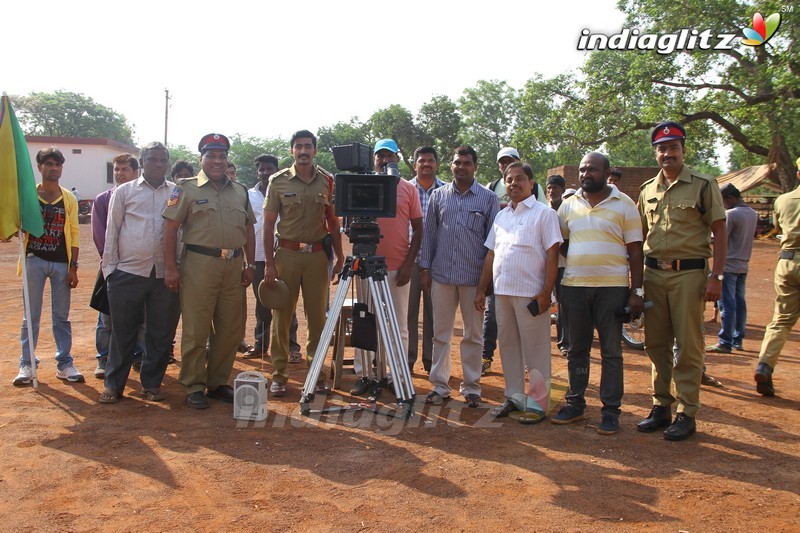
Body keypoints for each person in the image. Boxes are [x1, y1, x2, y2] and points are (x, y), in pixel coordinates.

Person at [636, 121, 727, 441]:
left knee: (688, 344)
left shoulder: (703, 184)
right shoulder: (647, 189)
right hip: (653, 274)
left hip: (690, 274)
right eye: (661, 148)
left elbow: (719, 230)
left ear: (683, 150)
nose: (667, 153)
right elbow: (641, 235)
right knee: (655, 343)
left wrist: (716, 275)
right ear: (656, 153)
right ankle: (661, 405)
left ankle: (687, 411)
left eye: (673, 147)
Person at [552, 152, 644, 435]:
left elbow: (636, 251)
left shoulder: (624, 205)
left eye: (592, 169)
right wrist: (582, 259)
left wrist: (636, 290)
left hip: (612, 289)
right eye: (582, 169)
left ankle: (610, 410)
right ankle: (575, 403)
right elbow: (562, 243)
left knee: (611, 352)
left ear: (606, 172)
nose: (585, 174)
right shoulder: (568, 206)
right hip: (574, 288)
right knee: (577, 350)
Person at [163, 133, 256, 409]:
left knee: (229, 329)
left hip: (233, 266)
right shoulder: (186, 188)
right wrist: (171, 268)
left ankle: (217, 382)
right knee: (196, 327)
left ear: (227, 159)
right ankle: (193, 385)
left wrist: (250, 263)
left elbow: (249, 228)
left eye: (222, 156)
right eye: (211, 156)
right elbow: (170, 229)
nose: (217, 161)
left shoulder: (240, 191)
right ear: (201, 159)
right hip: (199, 265)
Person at [476, 162, 561, 423]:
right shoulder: (502, 216)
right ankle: (513, 397)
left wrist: (547, 292)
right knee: (509, 346)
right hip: (502, 293)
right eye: (509, 179)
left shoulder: (544, 214)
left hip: (531, 294)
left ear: (531, 183)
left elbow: (552, 254)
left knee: (535, 348)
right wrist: (482, 289)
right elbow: (491, 254)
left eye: (520, 179)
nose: (514, 183)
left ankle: (538, 404)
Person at [262, 130, 344, 398]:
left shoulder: (327, 181)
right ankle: (279, 375)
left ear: (315, 151)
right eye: (298, 146)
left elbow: (333, 221)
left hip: (318, 256)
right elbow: (267, 224)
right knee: (281, 318)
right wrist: (269, 264)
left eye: (308, 146)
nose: (303, 150)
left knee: (318, 318)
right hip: (285, 255)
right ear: (291, 151)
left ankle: (317, 373)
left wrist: (340, 256)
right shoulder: (278, 181)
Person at [99, 142, 181, 403]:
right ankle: (113, 385)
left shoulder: (177, 192)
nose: (158, 164)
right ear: (142, 162)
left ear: (168, 164)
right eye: (153, 159)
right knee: (123, 332)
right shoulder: (124, 192)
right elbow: (112, 231)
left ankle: (152, 384)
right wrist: (109, 271)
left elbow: (181, 232)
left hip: (165, 275)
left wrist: (176, 267)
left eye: (163, 160)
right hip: (127, 272)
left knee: (160, 333)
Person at [419, 146, 499, 408]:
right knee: (440, 334)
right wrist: (425, 270)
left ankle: (472, 387)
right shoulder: (438, 197)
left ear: (475, 166)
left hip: (473, 279)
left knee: (473, 335)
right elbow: (429, 236)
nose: (461, 167)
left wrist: (486, 284)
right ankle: (440, 386)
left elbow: (493, 244)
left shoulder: (488, 199)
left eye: (466, 163)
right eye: (457, 163)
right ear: (451, 166)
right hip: (442, 275)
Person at [350, 139, 423, 395]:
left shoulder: (407, 189)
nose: (384, 161)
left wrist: (408, 265)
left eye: (389, 156)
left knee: (398, 325)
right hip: (365, 267)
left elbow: (419, 230)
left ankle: (398, 374)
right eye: (379, 156)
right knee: (364, 322)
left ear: (397, 160)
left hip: (397, 269)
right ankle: (365, 374)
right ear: (373, 160)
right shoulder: (363, 186)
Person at [13, 148, 84, 386]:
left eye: (58, 165)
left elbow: (74, 232)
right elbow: (15, 223)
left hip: (61, 262)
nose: (54, 168)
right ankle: (27, 363)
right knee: (30, 316)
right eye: (49, 164)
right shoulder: (28, 196)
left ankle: (64, 363)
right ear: (40, 167)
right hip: (35, 259)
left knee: (61, 317)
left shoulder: (68, 198)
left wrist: (73, 266)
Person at [91, 153, 142, 379]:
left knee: (140, 316)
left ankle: (139, 356)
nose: (119, 174)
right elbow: (100, 234)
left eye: (124, 169)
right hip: (112, 267)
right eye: (116, 169)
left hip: (139, 266)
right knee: (107, 316)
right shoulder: (103, 199)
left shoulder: (143, 197)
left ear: (135, 172)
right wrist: (111, 262)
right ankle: (104, 358)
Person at [753, 158, 800, 397]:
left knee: (781, 320)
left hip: (787, 262)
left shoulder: (783, 200)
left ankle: (765, 364)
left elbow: (778, 228)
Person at [706, 184, 758, 354]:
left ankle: (725, 341)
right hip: (743, 264)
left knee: (726, 304)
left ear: (729, 198)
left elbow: (719, 237)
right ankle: (737, 339)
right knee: (739, 302)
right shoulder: (752, 213)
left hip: (727, 265)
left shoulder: (731, 215)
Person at [407, 146, 445, 374]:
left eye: (431, 160)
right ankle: (408, 361)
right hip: (409, 262)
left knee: (435, 316)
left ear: (437, 164)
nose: (427, 164)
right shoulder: (404, 189)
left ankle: (432, 364)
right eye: (422, 160)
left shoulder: (446, 191)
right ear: (415, 165)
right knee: (408, 314)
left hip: (436, 263)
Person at [546, 174, 570, 358]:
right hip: (543, 264)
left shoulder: (568, 211)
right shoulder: (543, 211)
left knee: (563, 303)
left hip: (562, 264)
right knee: (543, 301)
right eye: (549, 188)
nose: (552, 191)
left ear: (562, 190)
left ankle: (564, 342)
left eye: (555, 188)